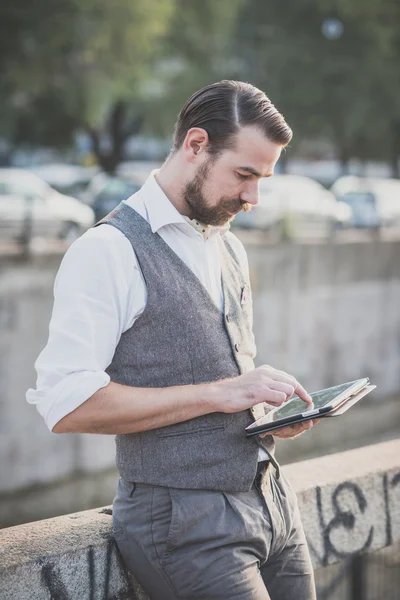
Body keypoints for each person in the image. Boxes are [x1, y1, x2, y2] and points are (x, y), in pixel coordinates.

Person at [27, 80, 318, 599]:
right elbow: (65, 404)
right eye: (244, 175)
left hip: (272, 502)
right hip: (184, 522)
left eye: (263, 179)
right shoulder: (107, 251)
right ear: (195, 145)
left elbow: (211, 371)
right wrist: (222, 393)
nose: (253, 198)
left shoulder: (228, 245)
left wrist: (262, 412)